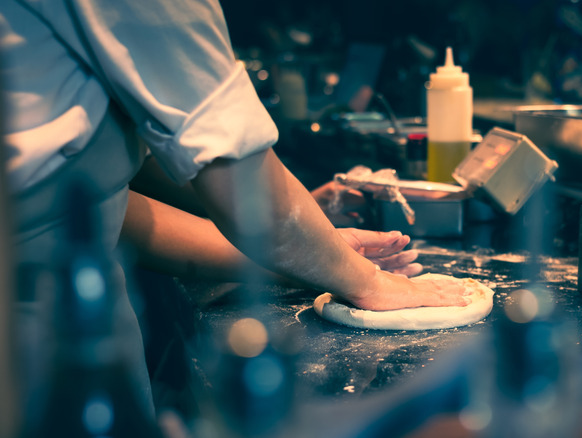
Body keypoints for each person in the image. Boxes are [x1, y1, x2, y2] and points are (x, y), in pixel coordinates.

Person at [0, 0, 469, 420]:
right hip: (35, 340)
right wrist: (368, 282)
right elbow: (241, 179)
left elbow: (102, 200)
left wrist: (305, 253)